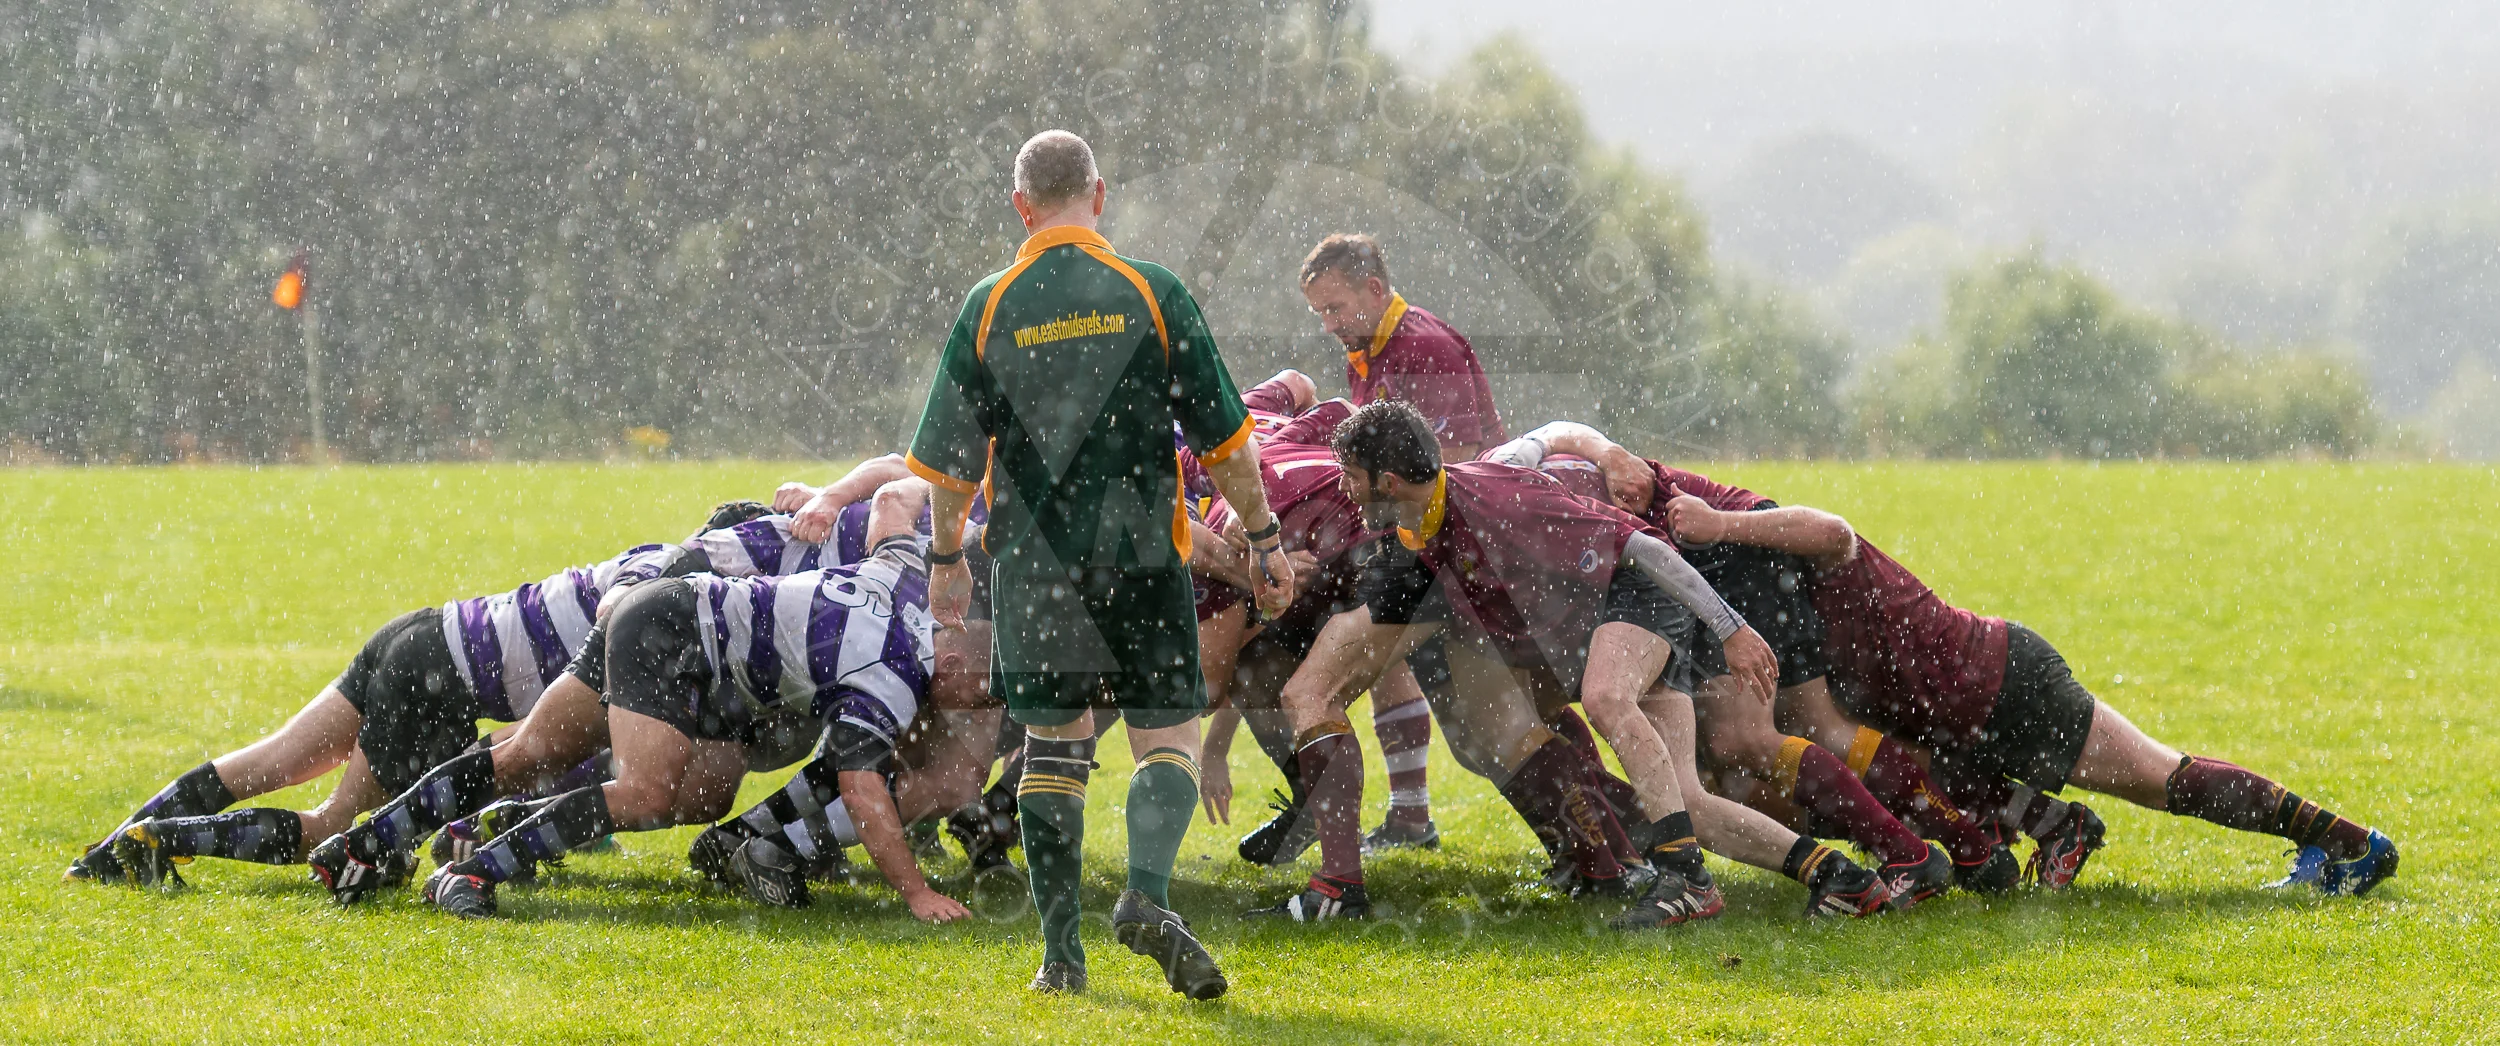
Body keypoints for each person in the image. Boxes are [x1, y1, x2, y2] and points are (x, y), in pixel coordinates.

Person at [903, 130, 1292, 998]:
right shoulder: (1153, 292)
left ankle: (1060, 958)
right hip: (1144, 551)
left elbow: (952, 463)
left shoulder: (990, 304)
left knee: (1053, 744)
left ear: (1021, 206)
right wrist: (1263, 540)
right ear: (1099, 195)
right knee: (1166, 733)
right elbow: (1227, 444)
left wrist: (943, 558)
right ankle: (1146, 897)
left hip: (1034, 562)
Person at [1256, 401, 1890, 926]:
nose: (1342, 487)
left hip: (1643, 592)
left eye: (1351, 475)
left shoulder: (1494, 500)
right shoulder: (1425, 524)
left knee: (1606, 699)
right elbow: (1537, 448)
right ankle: (1838, 877)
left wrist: (1732, 628)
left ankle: (1685, 880)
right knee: (1683, 799)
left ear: (1387, 482)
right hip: (1620, 612)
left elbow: (1644, 548)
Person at [1655, 488, 2401, 896]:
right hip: (1957, 720)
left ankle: (2353, 845)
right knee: (1889, 764)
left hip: (2007, 683)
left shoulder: (1819, 559)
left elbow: (1833, 527)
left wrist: (1721, 522)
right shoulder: (1783, 618)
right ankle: (2051, 830)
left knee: (2159, 780)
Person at [77, 500, 774, 888]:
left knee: (271, 761)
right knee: (331, 826)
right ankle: (154, 840)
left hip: (425, 632)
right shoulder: (672, 596)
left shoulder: (653, 554)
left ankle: (102, 857)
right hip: (437, 682)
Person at [1488, 423, 1973, 901]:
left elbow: (1559, 433)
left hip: (1735, 568)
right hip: (1708, 575)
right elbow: (1555, 434)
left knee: (1745, 740)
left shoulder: (1520, 488)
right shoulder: (1505, 484)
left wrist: (1621, 460)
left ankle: (1909, 853)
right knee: (1777, 741)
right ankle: (1957, 847)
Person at [1299, 235, 1506, 841]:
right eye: (1320, 314)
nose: (1330, 324)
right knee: (1464, 714)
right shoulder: (1369, 350)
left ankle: (1615, 840)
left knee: (1500, 721)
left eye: (1336, 308)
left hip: (1465, 545)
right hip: (1423, 541)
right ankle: (1411, 816)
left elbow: (1455, 460)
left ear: (1374, 289)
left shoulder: (1424, 347)